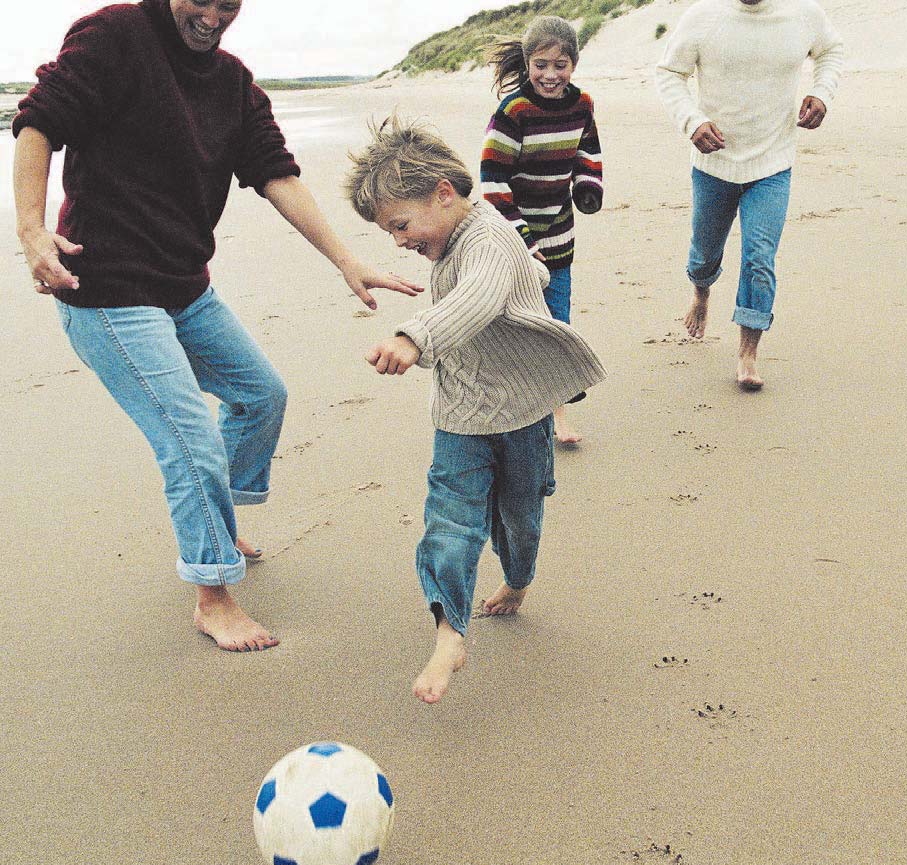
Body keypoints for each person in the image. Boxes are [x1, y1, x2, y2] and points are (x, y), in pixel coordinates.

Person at [12, 0, 419, 652]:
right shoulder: (113, 35)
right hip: (106, 291)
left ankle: (214, 521)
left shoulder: (232, 83)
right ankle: (212, 595)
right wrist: (32, 230)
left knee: (261, 396)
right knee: (192, 437)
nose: (212, 14)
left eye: (227, 4)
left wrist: (347, 259)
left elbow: (276, 173)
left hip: (183, 288)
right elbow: (38, 124)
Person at [345, 118, 606, 704]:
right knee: (451, 520)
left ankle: (518, 579)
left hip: (520, 416)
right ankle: (449, 631)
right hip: (460, 417)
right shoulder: (452, 234)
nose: (399, 241)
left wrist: (414, 336)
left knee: (519, 517)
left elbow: (482, 295)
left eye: (400, 225)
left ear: (443, 192)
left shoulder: (489, 238)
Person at [655, 0, 843, 390]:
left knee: (760, 256)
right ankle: (701, 292)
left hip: (773, 163)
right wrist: (692, 121)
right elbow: (670, 73)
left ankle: (747, 351)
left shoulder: (804, 13)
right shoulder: (703, 16)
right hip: (714, 163)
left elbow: (831, 51)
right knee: (705, 252)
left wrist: (822, 92)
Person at [480, 15, 603, 443]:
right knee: (516, 323)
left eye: (561, 64)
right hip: (513, 238)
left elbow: (589, 150)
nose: (551, 75)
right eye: (541, 65)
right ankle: (509, 404)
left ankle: (556, 416)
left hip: (560, 236)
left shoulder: (582, 104)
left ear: (574, 63)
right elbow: (493, 183)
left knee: (557, 323)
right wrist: (523, 240)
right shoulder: (514, 111)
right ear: (528, 63)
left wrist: (588, 187)